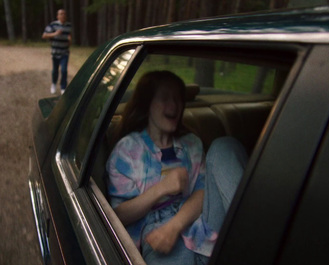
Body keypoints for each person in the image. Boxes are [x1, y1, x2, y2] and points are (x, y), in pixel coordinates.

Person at [106, 71, 248, 265]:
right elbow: (118, 216)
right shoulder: (127, 151)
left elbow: (203, 191)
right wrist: (161, 188)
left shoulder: (192, 144)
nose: (174, 105)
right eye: (164, 98)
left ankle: (254, 231)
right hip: (158, 237)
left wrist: (175, 225)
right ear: (147, 104)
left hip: (202, 224)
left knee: (225, 146)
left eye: (178, 99)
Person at [42, 9, 72, 95]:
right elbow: (44, 35)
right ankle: (54, 84)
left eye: (64, 14)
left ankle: (63, 87)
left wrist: (70, 40)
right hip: (55, 52)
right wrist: (55, 34)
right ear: (57, 16)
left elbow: (69, 40)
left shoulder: (68, 26)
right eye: (61, 14)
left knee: (64, 70)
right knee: (55, 70)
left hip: (65, 52)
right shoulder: (53, 25)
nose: (63, 15)